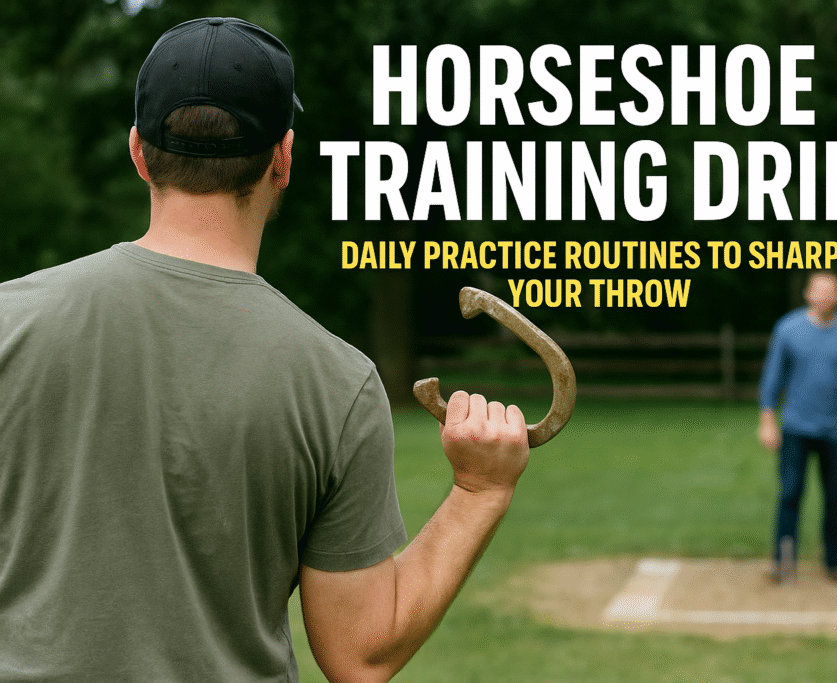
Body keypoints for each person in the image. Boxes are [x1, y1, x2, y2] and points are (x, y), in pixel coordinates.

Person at [0, 18, 528, 683]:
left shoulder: (7, 320)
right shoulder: (336, 383)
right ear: (283, 158)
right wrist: (480, 490)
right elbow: (359, 653)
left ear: (138, 151)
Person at [757, 270, 837, 584]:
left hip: (836, 431)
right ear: (808, 294)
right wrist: (768, 422)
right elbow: (772, 379)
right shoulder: (788, 330)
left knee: (834, 497)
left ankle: (835, 564)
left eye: (830, 292)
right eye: (818, 291)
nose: (824, 297)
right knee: (790, 494)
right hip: (796, 428)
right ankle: (783, 563)